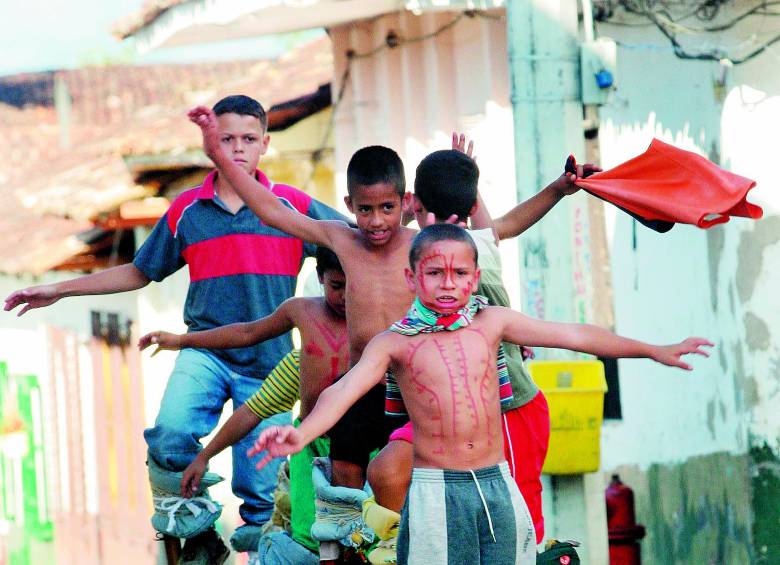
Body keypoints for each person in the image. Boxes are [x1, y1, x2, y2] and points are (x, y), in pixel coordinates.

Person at [5, 95, 347, 563]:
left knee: (264, 492)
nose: (237, 149)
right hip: (204, 351)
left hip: (270, 363)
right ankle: (200, 535)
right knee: (169, 433)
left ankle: (257, 552)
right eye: (225, 139)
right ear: (211, 144)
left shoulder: (291, 206)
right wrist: (60, 290)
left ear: (265, 144)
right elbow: (139, 271)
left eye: (248, 139)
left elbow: (355, 242)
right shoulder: (186, 210)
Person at [248, 223, 712, 565]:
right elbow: (343, 392)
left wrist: (653, 350)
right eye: (434, 273)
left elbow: (575, 335)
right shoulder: (396, 341)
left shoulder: (492, 323)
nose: (447, 283)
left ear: (473, 278)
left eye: (459, 273)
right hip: (434, 491)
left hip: (495, 482)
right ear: (412, 279)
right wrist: (301, 433)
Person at [367, 140, 601, 543]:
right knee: (400, 474)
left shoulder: (463, 253)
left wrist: (465, 181)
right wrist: (557, 189)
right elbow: (502, 226)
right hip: (455, 411)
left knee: (519, 511)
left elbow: (495, 229)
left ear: (413, 205)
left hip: (510, 407)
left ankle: (535, 553)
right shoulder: (449, 248)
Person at [189, 105, 419, 494]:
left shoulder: (420, 246)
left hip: (412, 385)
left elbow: (473, 271)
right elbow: (271, 211)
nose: (376, 221)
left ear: (406, 202)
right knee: (343, 478)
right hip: (359, 387)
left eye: (387, 209)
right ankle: (349, 548)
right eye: (365, 210)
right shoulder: (342, 238)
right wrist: (219, 158)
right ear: (349, 206)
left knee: (404, 481)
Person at [138, 245, 347, 562]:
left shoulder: (381, 340)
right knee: (309, 543)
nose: (345, 297)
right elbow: (253, 406)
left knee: (362, 540)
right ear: (320, 279)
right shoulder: (304, 356)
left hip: (364, 456)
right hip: (311, 457)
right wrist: (204, 456)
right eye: (336, 286)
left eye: (353, 286)